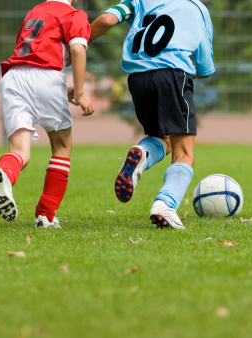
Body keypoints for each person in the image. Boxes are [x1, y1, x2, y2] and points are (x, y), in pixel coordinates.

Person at [90, 0, 215, 229]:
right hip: (172, 73)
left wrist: (78, 43)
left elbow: (108, 19)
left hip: (137, 78)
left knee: (162, 138)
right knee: (185, 153)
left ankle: (142, 152)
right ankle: (164, 205)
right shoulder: (196, 7)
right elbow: (205, 68)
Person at [0, 0, 94, 228]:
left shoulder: (34, 12)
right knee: (62, 146)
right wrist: (81, 92)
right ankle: (45, 216)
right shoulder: (75, 14)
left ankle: (5, 173)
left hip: (13, 77)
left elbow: (33, 58)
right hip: (47, 76)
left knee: (19, 151)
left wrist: (62, 92)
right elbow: (77, 49)